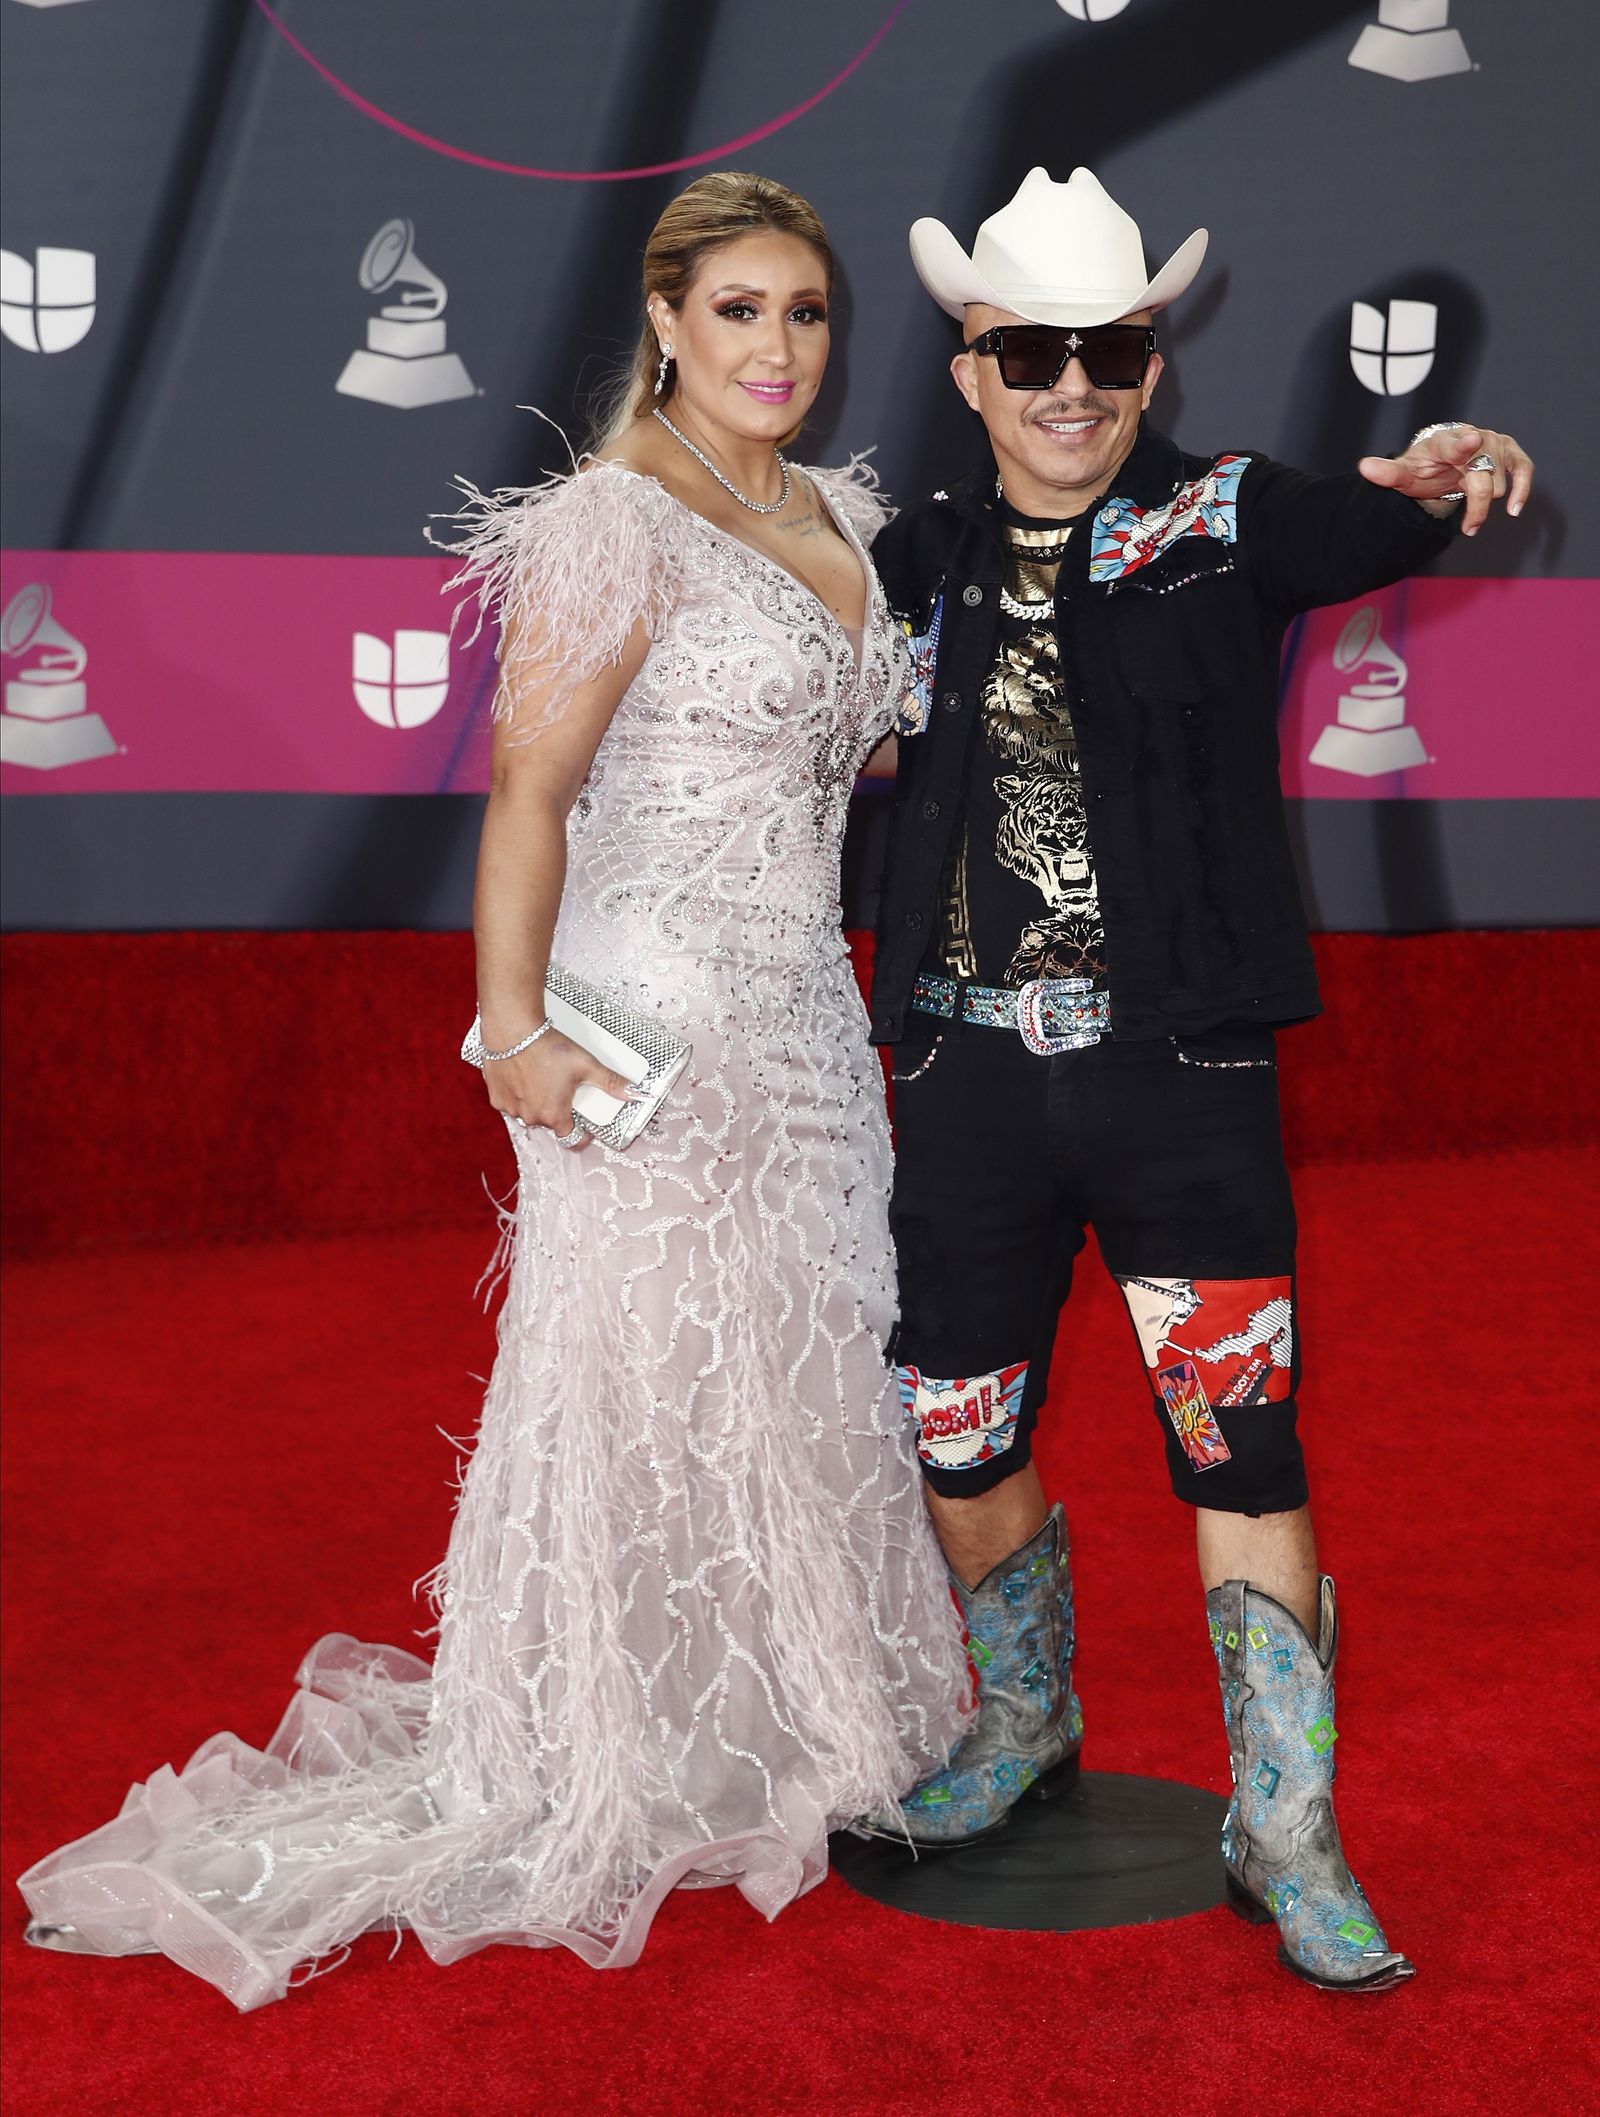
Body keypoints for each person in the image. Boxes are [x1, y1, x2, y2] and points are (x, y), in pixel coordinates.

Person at [18, 171, 971, 2011]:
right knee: (645, 1368)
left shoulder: (842, 520)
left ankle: (804, 1704)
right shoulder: (617, 522)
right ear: (671, 324)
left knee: (801, 1351)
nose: (780, 346)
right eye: (744, 310)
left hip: (810, 1030)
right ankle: (617, 1733)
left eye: (810, 312)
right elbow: (528, 792)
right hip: (654, 1023)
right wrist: (515, 1026)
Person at [864, 166, 1532, 1991]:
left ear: (1151, 366)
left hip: (1187, 1080)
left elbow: (1371, 520)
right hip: (967, 1081)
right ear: (973, 368)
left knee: (1242, 1444)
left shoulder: (1227, 522)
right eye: (1035, 354)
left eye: (1113, 351)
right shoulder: (901, 560)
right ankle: (1023, 1726)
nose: (1074, 385)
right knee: (958, 1429)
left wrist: (1444, 461)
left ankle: (1287, 1826)